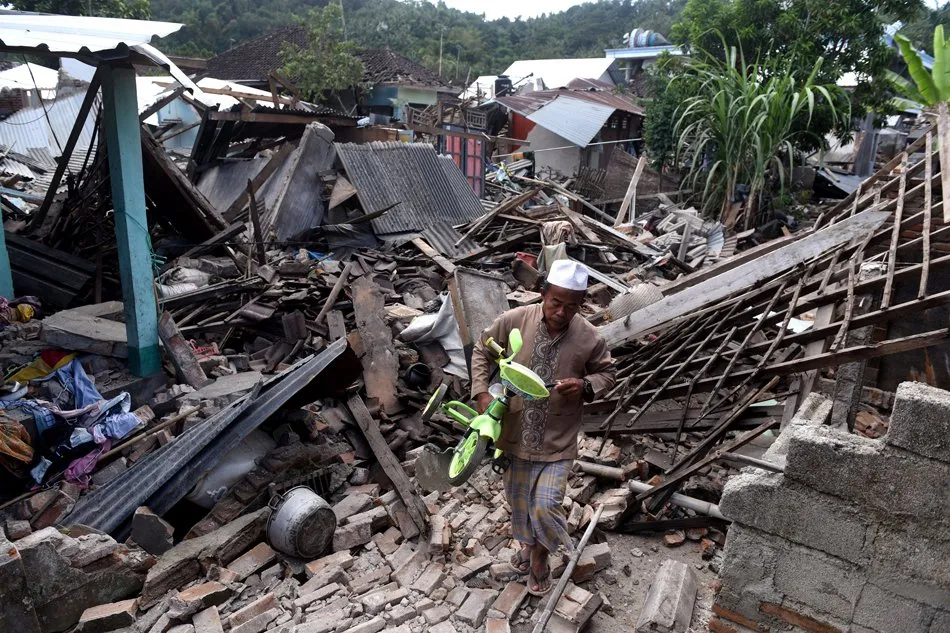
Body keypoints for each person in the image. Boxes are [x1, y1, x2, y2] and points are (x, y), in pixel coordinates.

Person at [470, 259, 616, 596]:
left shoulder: (590, 338)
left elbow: (608, 374)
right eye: (556, 302)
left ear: (581, 305)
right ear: (543, 293)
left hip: (558, 439)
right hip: (513, 434)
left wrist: (585, 384)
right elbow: (482, 349)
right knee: (518, 501)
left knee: (546, 504)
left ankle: (539, 556)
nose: (562, 312)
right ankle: (527, 546)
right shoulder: (514, 321)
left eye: (572, 306)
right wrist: (480, 392)